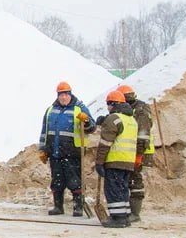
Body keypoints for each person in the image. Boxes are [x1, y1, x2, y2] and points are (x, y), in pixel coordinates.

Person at [38, 81, 96, 217]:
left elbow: (92, 128)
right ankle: (58, 206)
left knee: (74, 181)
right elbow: (44, 131)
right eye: (61, 95)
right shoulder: (51, 110)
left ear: (70, 94)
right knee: (57, 181)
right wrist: (42, 149)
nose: (63, 97)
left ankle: (78, 207)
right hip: (54, 152)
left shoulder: (79, 108)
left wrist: (86, 121)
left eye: (66, 94)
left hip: (72, 153)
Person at [94, 89, 139, 228]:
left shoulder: (114, 119)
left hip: (115, 160)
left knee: (113, 189)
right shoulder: (131, 119)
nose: (107, 107)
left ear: (113, 104)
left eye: (108, 104)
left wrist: (99, 162)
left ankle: (117, 218)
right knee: (123, 189)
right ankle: (124, 216)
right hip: (128, 161)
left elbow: (105, 143)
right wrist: (105, 121)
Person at [117, 84, 154, 222]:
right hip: (130, 151)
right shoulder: (131, 109)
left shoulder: (140, 111)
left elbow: (143, 135)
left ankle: (135, 213)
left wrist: (139, 154)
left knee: (135, 180)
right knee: (128, 180)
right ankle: (128, 210)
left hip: (138, 151)